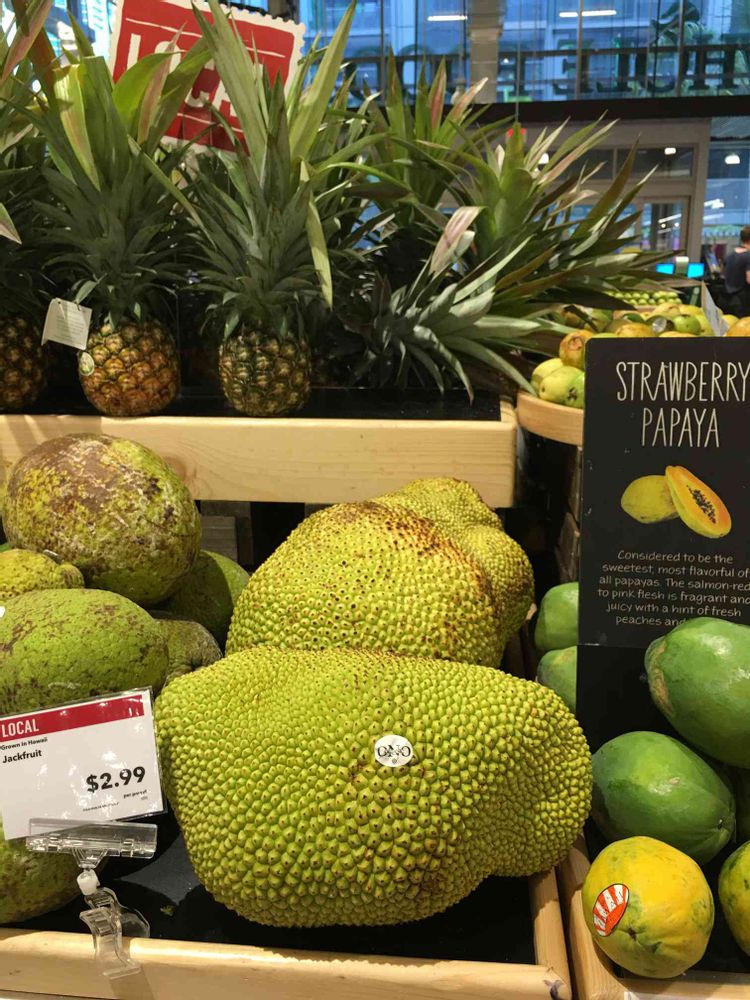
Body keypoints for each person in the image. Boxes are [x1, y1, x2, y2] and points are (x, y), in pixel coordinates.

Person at [722, 226, 750, 317]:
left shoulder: (729, 255)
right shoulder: (748, 256)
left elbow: (723, 274)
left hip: (728, 299)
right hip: (743, 302)